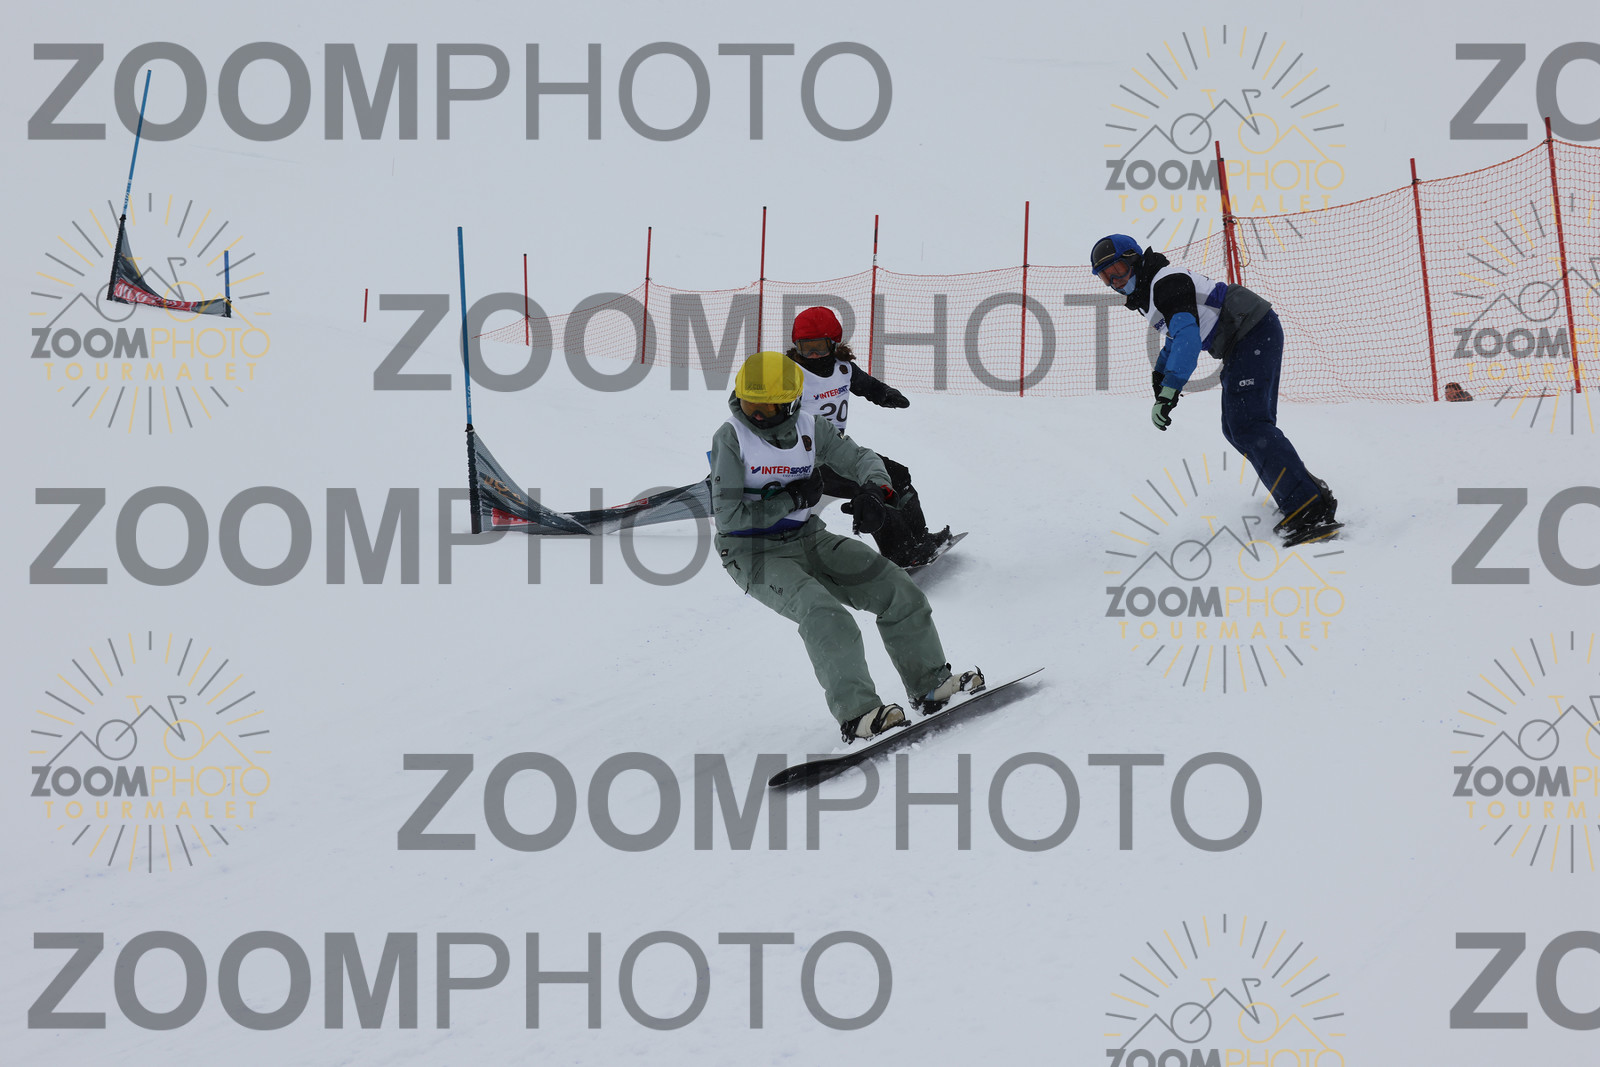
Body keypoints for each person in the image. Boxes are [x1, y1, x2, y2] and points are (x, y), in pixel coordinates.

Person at [711, 351, 982, 742]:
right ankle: (858, 715)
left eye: (766, 407)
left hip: (808, 537)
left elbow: (859, 458)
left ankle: (930, 685)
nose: (755, 414)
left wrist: (874, 491)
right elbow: (729, 518)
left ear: (791, 402)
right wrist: (792, 499)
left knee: (896, 587)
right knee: (824, 614)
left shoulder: (810, 428)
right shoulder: (732, 437)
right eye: (750, 403)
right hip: (752, 552)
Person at [1089, 234, 1340, 544]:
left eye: (1117, 271)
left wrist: (1171, 388)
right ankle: (1305, 495)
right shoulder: (1151, 294)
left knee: (1248, 424)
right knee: (1237, 428)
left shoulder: (1166, 283)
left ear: (1134, 260)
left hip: (1252, 331)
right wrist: (1161, 375)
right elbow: (1175, 338)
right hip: (1244, 339)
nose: (1115, 282)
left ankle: (1309, 509)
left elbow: (1188, 337)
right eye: (1106, 277)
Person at [786, 306, 952, 567]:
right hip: (808, 462)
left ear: (833, 343)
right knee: (869, 488)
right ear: (797, 347)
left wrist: (885, 394)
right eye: (806, 348)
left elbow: (867, 386)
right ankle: (899, 552)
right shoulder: (789, 374)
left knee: (896, 475)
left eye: (819, 347)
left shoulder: (844, 369)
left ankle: (919, 538)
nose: (813, 354)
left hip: (837, 452)